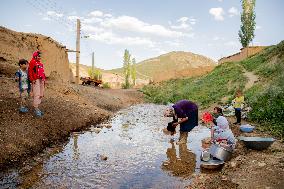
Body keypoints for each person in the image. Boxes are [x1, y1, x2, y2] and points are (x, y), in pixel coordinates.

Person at [28, 50, 46, 117]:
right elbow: (30, 71)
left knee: (41, 94)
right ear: (35, 56)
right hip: (36, 80)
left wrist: (44, 79)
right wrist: (32, 79)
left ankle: (37, 106)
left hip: (41, 80)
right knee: (37, 93)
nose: (39, 57)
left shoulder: (40, 64)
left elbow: (42, 72)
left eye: (40, 56)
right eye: (38, 56)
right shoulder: (32, 62)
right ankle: (36, 108)